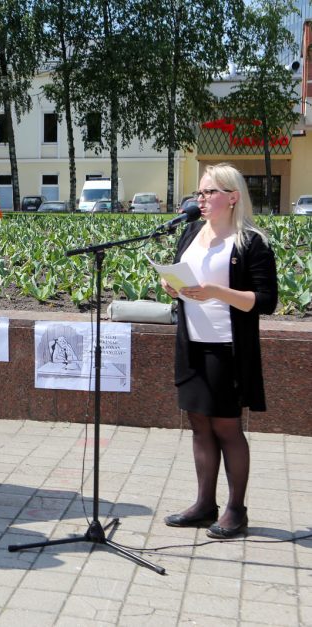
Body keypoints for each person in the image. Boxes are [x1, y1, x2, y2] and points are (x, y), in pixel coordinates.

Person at [161, 163, 278, 539]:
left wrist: (216, 292)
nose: (202, 199)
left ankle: (235, 509)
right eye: (200, 192)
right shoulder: (191, 233)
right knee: (198, 425)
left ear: (232, 196)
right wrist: (172, 286)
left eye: (210, 192)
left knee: (227, 428)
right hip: (191, 343)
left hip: (228, 349)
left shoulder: (250, 242)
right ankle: (204, 504)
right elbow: (183, 277)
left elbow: (265, 301)